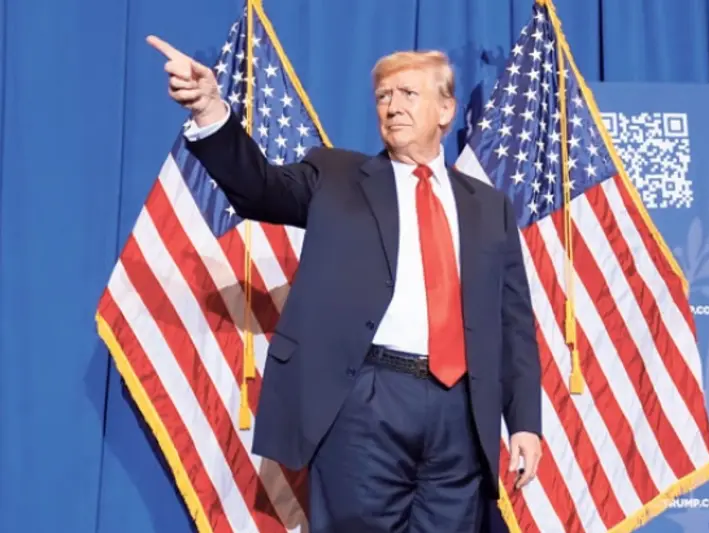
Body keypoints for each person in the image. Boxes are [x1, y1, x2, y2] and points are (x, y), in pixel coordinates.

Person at [147, 34, 543, 533]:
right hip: (367, 398)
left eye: (408, 94)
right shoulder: (336, 175)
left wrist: (524, 422)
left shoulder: (488, 207)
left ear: (446, 109)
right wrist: (209, 110)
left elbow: (513, 325)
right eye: (383, 96)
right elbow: (258, 189)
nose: (392, 107)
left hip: (460, 412)